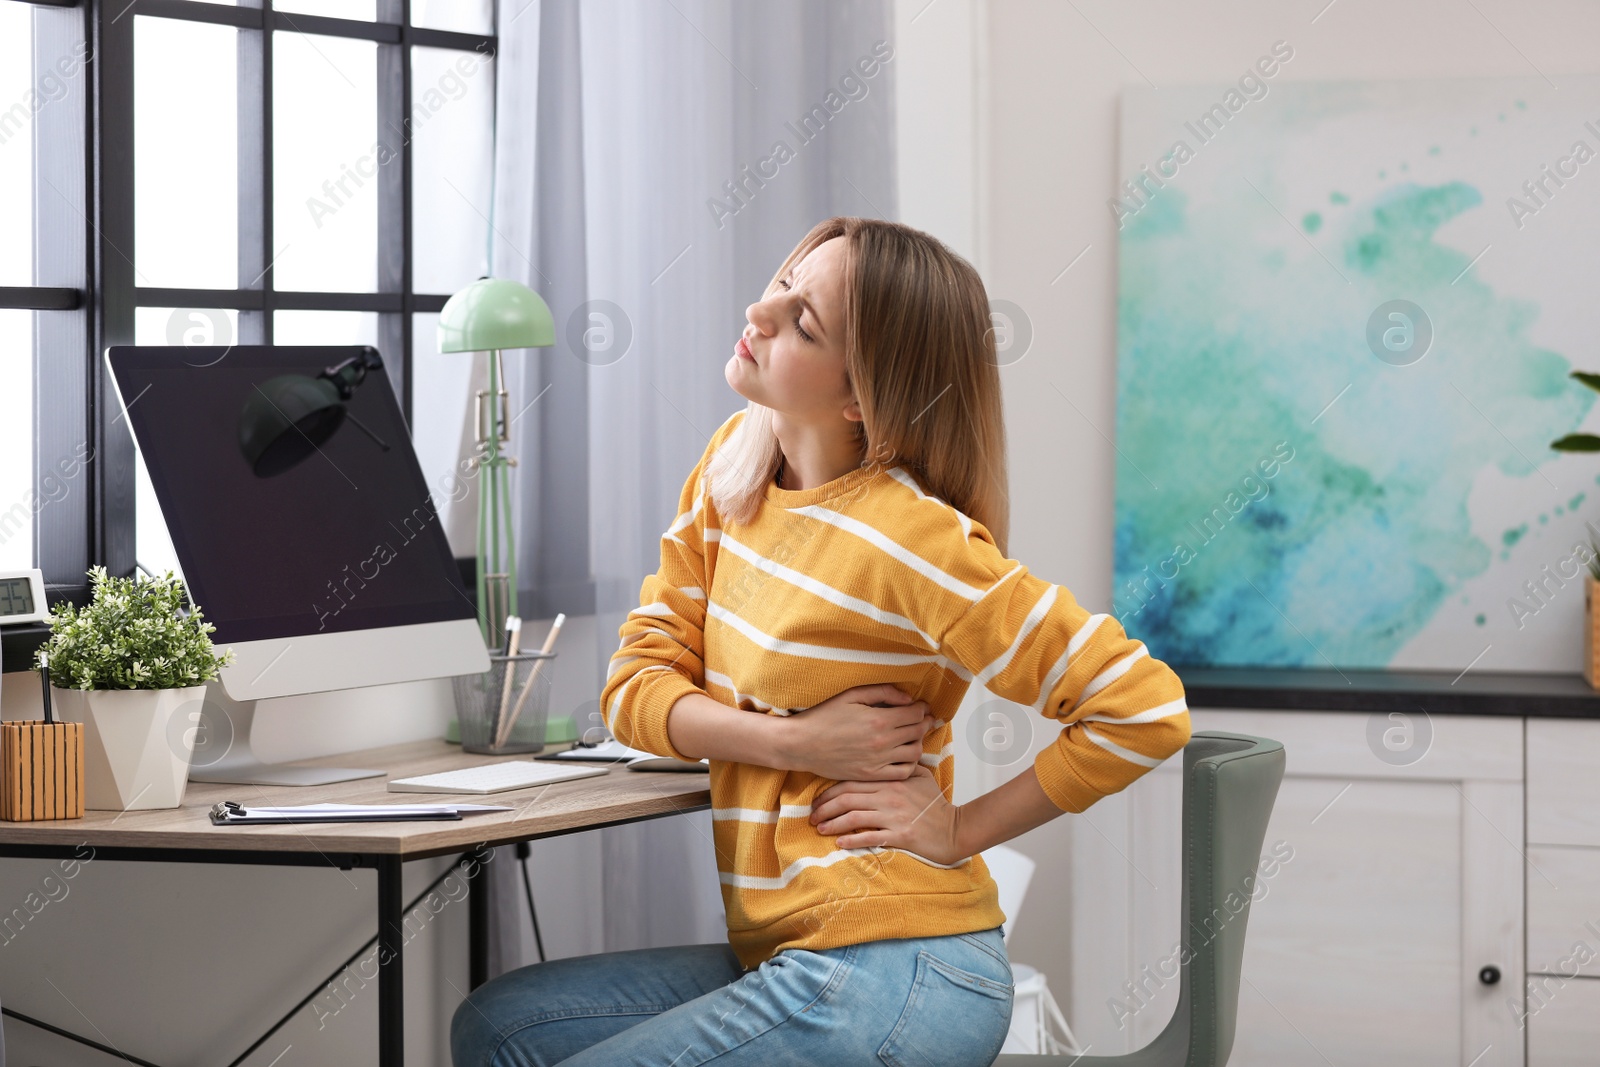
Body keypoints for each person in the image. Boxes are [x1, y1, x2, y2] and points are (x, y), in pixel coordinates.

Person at [452, 217, 1191, 1066]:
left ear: (860, 396)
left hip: (906, 966)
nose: (760, 311)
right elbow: (632, 691)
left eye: (804, 321)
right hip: (788, 950)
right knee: (499, 1026)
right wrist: (791, 739)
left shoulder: (910, 539)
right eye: (783, 283)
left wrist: (956, 830)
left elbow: (1141, 708)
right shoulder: (733, 470)